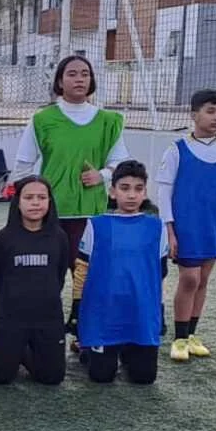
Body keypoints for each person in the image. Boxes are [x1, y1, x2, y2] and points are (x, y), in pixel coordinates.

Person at [9, 54, 131, 342]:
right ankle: (44, 336)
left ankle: (86, 336)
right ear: (60, 81)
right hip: (48, 216)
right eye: (72, 74)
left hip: (90, 214)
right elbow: (23, 165)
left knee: (88, 279)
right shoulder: (42, 119)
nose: (79, 79)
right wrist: (30, 200)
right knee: (45, 278)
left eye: (85, 74)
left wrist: (101, 175)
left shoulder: (108, 121)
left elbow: (120, 163)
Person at [159, 88, 216, 363]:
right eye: (211, 111)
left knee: (203, 279)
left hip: (215, 226)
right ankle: (179, 338)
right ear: (194, 114)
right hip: (187, 227)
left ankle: (192, 334)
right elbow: (163, 191)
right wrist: (169, 229)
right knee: (190, 278)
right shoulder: (177, 149)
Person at [80, 160, 167, 385]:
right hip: (104, 315)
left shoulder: (157, 227)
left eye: (138, 189)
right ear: (112, 191)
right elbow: (82, 269)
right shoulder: (96, 225)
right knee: (100, 377)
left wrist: (160, 313)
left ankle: (129, 348)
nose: (131, 195)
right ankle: (91, 349)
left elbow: (160, 273)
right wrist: (76, 310)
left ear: (145, 193)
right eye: (125, 188)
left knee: (144, 378)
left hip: (141, 314)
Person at [0, 177, 75, 385]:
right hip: (11, 319)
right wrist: (3, 311)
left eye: (41, 197)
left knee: (52, 379)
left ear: (50, 202)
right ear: (18, 202)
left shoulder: (59, 237)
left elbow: (58, 276)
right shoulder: (3, 239)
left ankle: (26, 352)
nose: (35, 203)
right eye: (29, 197)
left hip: (48, 319)